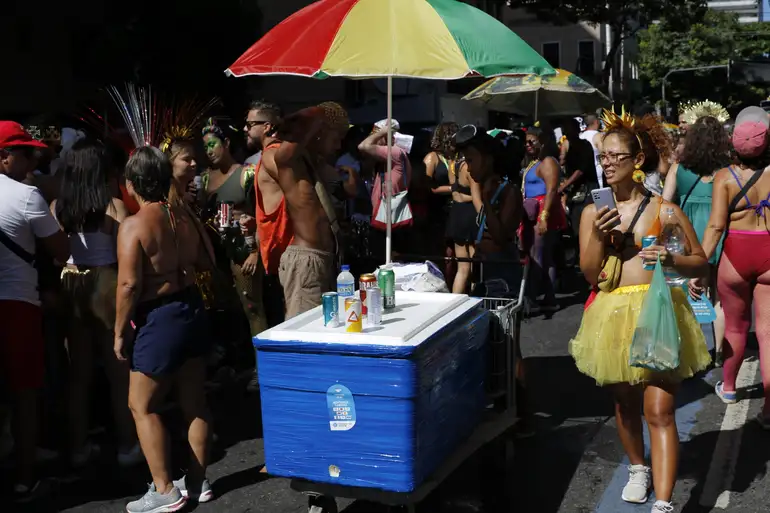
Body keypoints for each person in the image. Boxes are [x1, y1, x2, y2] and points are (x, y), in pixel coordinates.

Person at [570, 109, 710, 513]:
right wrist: (598, 235)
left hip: (659, 313)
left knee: (660, 409)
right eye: (603, 157)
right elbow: (591, 274)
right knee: (624, 405)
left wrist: (669, 259)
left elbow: (699, 260)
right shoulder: (592, 212)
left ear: (637, 162)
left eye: (616, 156)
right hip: (613, 315)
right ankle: (637, 468)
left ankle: (664, 504)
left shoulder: (664, 209)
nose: (608, 162)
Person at [116, 147, 214, 512]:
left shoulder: (135, 224)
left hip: (159, 316)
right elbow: (207, 260)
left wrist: (118, 333)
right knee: (194, 401)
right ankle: (198, 481)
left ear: (131, 184)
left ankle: (164, 490)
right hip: (191, 306)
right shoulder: (182, 216)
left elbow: (127, 286)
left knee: (140, 404)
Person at [51, 139, 140, 468]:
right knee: (118, 369)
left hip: (71, 282)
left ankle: (77, 446)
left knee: (79, 373)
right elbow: (127, 252)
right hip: (106, 282)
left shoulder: (58, 206)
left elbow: (56, 251)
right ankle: (127, 445)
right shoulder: (113, 205)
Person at [0, 121, 69, 501]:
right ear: (4, 156)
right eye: (26, 153)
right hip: (17, 303)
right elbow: (61, 250)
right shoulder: (26, 196)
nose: (33, 159)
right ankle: (26, 478)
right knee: (25, 393)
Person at [697, 106, 770, 424]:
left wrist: (697, 267)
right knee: (767, 333)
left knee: (737, 327)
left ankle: (728, 386)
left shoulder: (724, 178)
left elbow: (715, 228)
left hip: (734, 257)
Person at [662, 116, 730, 366]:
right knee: (718, 296)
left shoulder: (679, 169)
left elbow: (666, 204)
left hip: (689, 237)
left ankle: (693, 350)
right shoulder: (726, 171)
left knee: (688, 294)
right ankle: (720, 351)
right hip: (719, 235)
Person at [271, 103, 348, 318]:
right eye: (336, 138)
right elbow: (302, 124)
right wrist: (324, 112)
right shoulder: (288, 162)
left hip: (324, 261)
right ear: (319, 133)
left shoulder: (316, 165)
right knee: (304, 332)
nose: (339, 145)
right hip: (306, 262)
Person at [245, 100, 290, 328]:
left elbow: (299, 199)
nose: (245, 129)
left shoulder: (274, 156)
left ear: (267, 127)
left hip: (286, 254)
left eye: (250, 124)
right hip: (276, 256)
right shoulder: (268, 156)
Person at [522, 126, 567, 312]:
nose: (528, 145)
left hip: (542, 211)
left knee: (537, 256)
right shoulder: (535, 162)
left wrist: (544, 217)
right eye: (526, 142)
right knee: (545, 257)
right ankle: (549, 298)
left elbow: (551, 190)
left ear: (542, 141)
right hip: (533, 211)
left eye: (532, 141)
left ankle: (531, 298)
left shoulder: (548, 162)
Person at [358, 119, 413, 258]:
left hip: (389, 216)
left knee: (387, 259)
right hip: (385, 214)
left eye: (376, 133)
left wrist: (383, 132)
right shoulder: (388, 157)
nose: (373, 137)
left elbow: (363, 146)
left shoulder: (394, 152)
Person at [424, 122, 458, 284]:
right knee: (443, 253)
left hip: (453, 210)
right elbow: (427, 187)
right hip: (437, 211)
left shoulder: (452, 159)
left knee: (453, 254)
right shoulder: (433, 158)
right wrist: (453, 189)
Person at [580, 113, 604, 189]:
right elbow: (604, 153)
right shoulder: (599, 136)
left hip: (585, 175)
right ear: (596, 122)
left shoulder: (580, 136)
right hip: (599, 174)